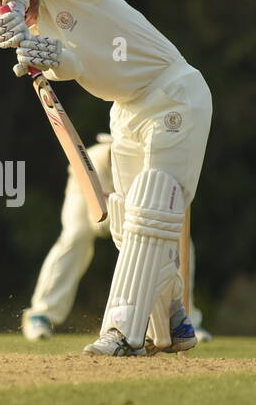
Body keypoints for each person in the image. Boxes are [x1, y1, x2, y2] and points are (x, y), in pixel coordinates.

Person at [0, 0, 212, 356]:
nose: (1, 10)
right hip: (124, 111)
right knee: (124, 222)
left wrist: (12, 2)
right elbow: (77, 67)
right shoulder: (38, 28)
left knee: (150, 203)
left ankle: (123, 333)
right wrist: (47, 58)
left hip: (172, 93)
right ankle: (172, 321)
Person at [21, 133, 212, 342]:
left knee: (177, 239)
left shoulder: (148, 165)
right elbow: (101, 222)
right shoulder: (93, 160)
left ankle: (184, 319)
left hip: (130, 203)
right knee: (76, 236)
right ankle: (41, 314)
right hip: (86, 196)